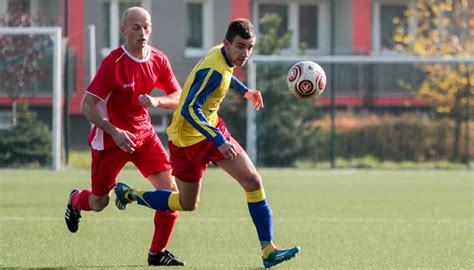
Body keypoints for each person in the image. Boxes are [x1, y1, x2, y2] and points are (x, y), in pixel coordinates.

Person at [114, 18, 300, 268]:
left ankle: (268, 249)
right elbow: (190, 109)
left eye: (250, 47)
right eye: (241, 47)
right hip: (186, 141)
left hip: (211, 129)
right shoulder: (212, 69)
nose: (245, 53)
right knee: (186, 203)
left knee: (252, 180)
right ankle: (131, 194)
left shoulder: (224, 56)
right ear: (227, 43)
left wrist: (245, 90)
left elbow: (225, 77)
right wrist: (219, 140)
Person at [63, 6, 185, 266]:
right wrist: (115, 132)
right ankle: (75, 200)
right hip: (111, 140)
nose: (143, 32)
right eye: (136, 27)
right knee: (98, 202)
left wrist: (155, 100)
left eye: (147, 26)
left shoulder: (158, 59)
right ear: (124, 30)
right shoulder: (114, 63)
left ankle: (156, 253)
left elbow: (178, 96)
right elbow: (87, 104)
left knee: (171, 195)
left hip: (145, 136)